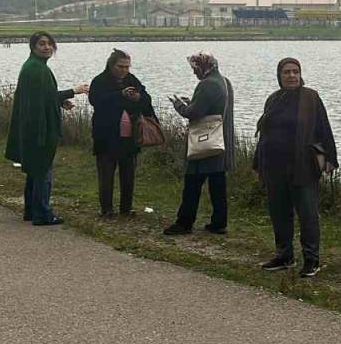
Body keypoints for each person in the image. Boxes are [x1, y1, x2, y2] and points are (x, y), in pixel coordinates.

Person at [255, 57, 337, 278]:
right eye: (286, 72)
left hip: (303, 166)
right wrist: (258, 163)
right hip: (274, 166)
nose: (291, 75)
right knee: (279, 213)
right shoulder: (274, 99)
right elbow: (265, 132)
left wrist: (330, 157)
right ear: (279, 76)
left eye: (295, 71)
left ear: (300, 74)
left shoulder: (310, 97)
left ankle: (312, 259)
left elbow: (324, 127)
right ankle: (284, 255)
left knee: (308, 214)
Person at [5, 32, 89, 226]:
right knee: (43, 170)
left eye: (50, 44)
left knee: (35, 169)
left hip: (32, 127)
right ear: (33, 46)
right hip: (40, 129)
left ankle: (31, 211)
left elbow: (43, 96)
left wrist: (61, 101)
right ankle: (42, 213)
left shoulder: (34, 66)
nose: (47, 47)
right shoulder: (36, 69)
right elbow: (43, 97)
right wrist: (73, 91)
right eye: (42, 44)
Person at [164, 52, 236, 235]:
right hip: (219, 141)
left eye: (195, 68)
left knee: (192, 183)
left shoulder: (207, 84)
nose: (194, 73)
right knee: (217, 184)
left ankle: (184, 222)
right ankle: (219, 222)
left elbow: (194, 113)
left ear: (203, 67)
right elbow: (212, 107)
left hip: (204, 142)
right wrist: (192, 103)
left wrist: (179, 105)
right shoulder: (224, 81)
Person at [87, 49, 156, 217]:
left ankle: (126, 208)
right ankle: (106, 209)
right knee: (106, 174)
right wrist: (120, 95)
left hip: (129, 137)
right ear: (111, 65)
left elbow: (147, 100)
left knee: (128, 175)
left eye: (127, 67)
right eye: (121, 66)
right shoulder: (99, 81)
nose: (124, 70)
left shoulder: (132, 80)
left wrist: (137, 98)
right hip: (106, 135)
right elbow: (95, 100)